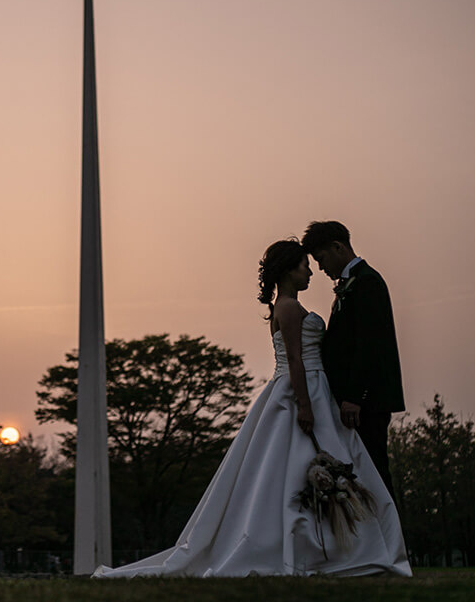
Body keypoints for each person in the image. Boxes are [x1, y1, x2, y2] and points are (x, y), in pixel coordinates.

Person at [93, 239, 410, 578]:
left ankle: (336, 547)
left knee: (326, 465)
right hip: (301, 390)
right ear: (289, 269)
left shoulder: (290, 306)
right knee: (293, 468)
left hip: (318, 390)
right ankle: (311, 549)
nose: (310, 272)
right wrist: (304, 403)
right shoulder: (287, 307)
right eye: (304, 265)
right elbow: (293, 358)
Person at [301, 221, 405, 501]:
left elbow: (370, 343)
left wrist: (356, 396)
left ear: (337, 247)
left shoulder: (367, 282)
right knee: (361, 473)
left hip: (365, 402)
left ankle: (391, 540)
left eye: (321, 259)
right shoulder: (350, 284)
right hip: (352, 401)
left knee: (374, 472)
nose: (321, 268)